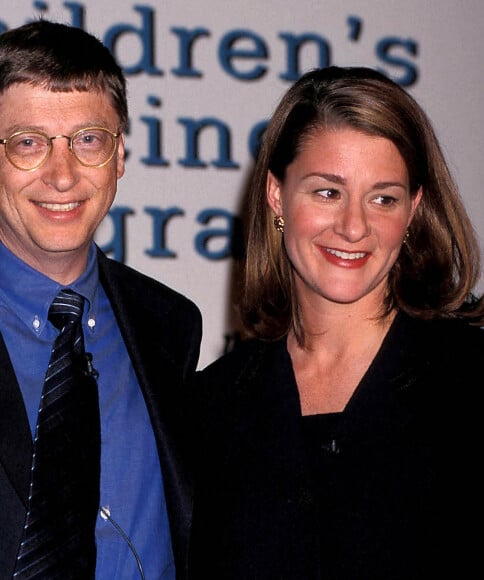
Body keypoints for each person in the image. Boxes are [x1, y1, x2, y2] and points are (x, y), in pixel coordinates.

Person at [0, 20, 202, 579]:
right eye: (28, 143)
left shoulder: (171, 326)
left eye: (88, 139)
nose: (62, 176)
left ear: (119, 156)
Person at [187, 66, 484, 579]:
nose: (353, 226)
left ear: (413, 210)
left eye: (383, 198)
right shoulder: (212, 408)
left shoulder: (472, 380)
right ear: (278, 196)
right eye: (328, 192)